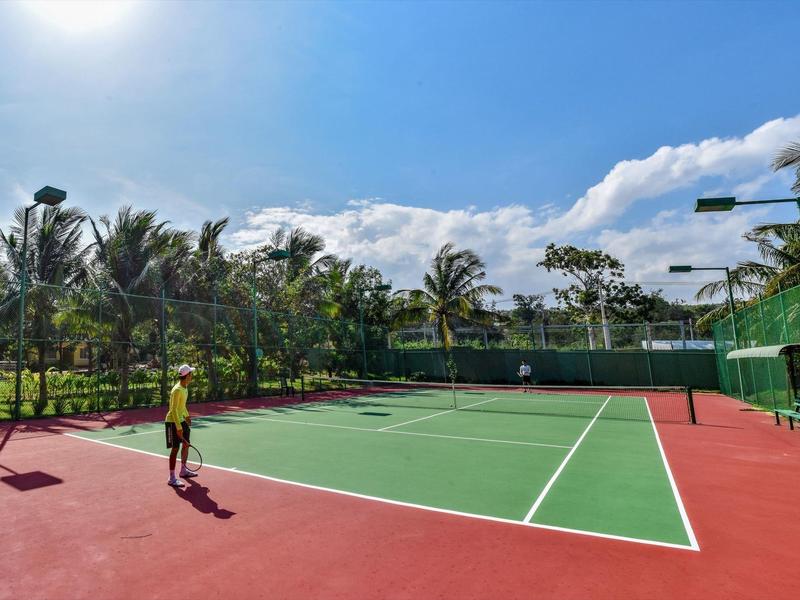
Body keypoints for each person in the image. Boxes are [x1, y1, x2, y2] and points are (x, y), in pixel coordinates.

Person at [165, 364, 196, 487]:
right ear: (187, 376)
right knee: (175, 448)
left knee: (186, 444)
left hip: (180, 420)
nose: (192, 376)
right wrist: (178, 427)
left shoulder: (185, 388)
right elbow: (173, 410)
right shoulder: (177, 390)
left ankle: (183, 470)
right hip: (172, 421)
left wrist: (187, 415)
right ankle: (172, 477)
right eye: (191, 374)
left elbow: (181, 407)